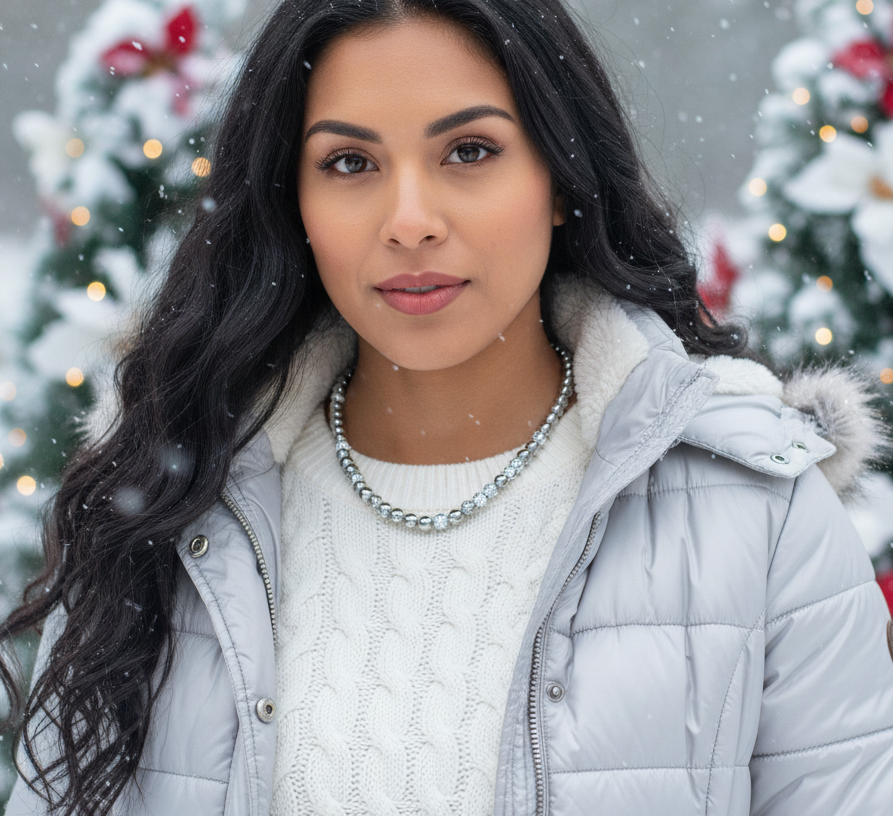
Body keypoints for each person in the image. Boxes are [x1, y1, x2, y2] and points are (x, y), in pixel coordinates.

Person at [3, 0, 893, 814]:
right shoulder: (167, 509)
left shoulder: (757, 513)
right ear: (293, 203)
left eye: (468, 151)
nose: (410, 219)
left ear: (559, 176)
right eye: (350, 162)